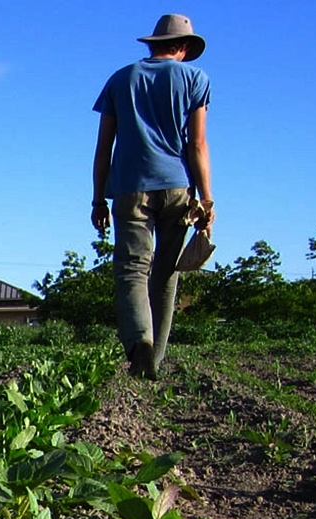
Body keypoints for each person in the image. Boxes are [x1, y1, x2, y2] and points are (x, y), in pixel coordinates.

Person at [91, 14, 214, 380]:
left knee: (132, 270)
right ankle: (154, 363)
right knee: (166, 273)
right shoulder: (195, 79)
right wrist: (206, 198)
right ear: (184, 46)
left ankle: (139, 345)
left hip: (129, 186)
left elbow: (103, 148)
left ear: (153, 43)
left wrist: (99, 199)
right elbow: (197, 144)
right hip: (177, 186)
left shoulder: (120, 79)